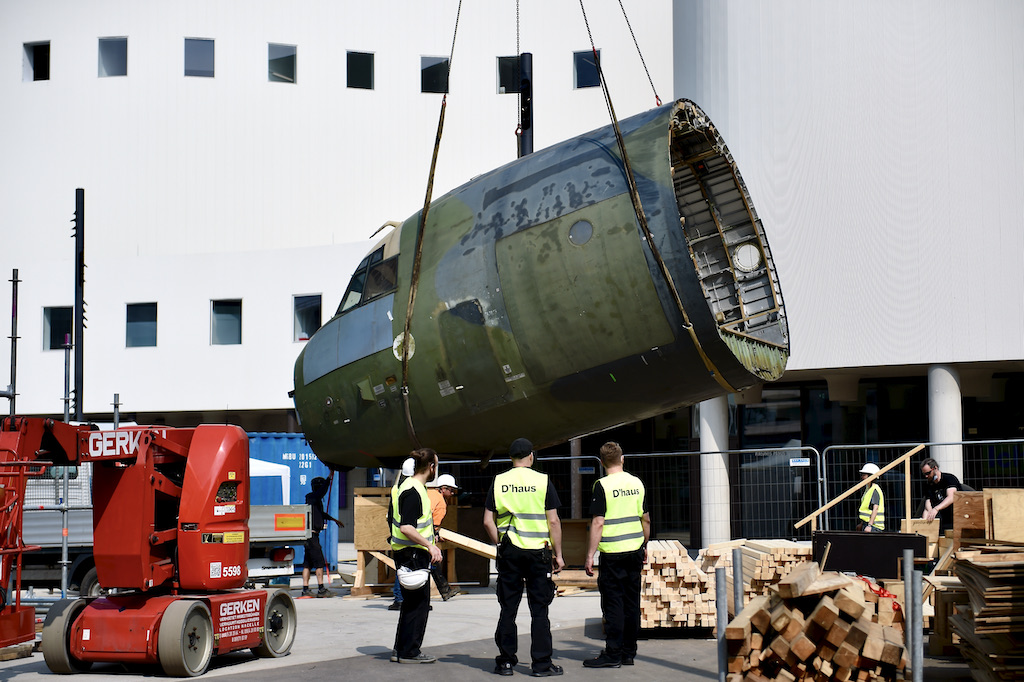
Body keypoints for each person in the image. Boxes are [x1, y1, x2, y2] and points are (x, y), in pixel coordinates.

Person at [483, 438, 565, 678]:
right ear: (531, 456)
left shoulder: (499, 481)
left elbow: (488, 520)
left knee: (508, 608)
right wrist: (558, 554)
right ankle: (541, 664)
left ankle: (506, 662)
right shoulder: (542, 481)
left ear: (511, 458)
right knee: (539, 610)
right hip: (538, 552)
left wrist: (499, 543)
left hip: (510, 552)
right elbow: (553, 521)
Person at [582, 442, 650, 669]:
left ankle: (613, 654)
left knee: (613, 604)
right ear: (623, 459)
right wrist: (645, 545)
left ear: (601, 463)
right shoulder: (636, 483)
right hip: (634, 551)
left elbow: (598, 522)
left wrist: (590, 555)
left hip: (612, 554)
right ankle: (629, 653)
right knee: (631, 603)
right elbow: (646, 519)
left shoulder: (601, 485)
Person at [389, 448, 443, 664]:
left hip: (408, 552)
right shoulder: (414, 491)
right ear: (430, 467)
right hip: (413, 554)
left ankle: (400, 649)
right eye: (436, 465)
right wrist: (430, 545)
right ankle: (410, 652)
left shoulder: (408, 487)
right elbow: (407, 527)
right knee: (418, 606)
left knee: (410, 604)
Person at [301, 475, 341, 597]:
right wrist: (329, 478)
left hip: (310, 536)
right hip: (312, 536)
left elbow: (320, 513)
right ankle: (321, 589)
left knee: (307, 563)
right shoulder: (313, 497)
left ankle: (305, 588)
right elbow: (323, 490)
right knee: (319, 563)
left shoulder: (313, 500)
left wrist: (333, 519)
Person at [426, 473, 461, 600]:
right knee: (432, 563)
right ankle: (445, 591)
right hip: (426, 535)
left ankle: (445, 591)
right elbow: (434, 522)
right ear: (443, 488)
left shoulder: (428, 493)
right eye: (451, 490)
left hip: (417, 533)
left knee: (427, 564)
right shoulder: (440, 501)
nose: (452, 493)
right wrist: (435, 534)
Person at [389, 457, 417, 611]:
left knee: (402, 570)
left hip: (398, 537)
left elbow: (390, 514)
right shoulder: (413, 488)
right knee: (410, 571)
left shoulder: (396, 489)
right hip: (411, 536)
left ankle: (400, 599)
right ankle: (402, 599)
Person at [920, 457, 964, 534]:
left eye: (928, 473)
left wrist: (936, 509)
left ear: (935, 468)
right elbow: (928, 503)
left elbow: (951, 497)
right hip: (943, 519)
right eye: (924, 474)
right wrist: (926, 520)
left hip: (956, 516)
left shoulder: (949, 479)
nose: (926, 476)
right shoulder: (928, 484)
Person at [857, 462, 884, 532]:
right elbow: (868, 509)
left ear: (871, 476)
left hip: (874, 526)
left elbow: (875, 509)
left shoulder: (874, 490)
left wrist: (869, 525)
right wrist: (862, 524)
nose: (862, 477)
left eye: (864, 475)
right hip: (869, 525)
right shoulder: (868, 489)